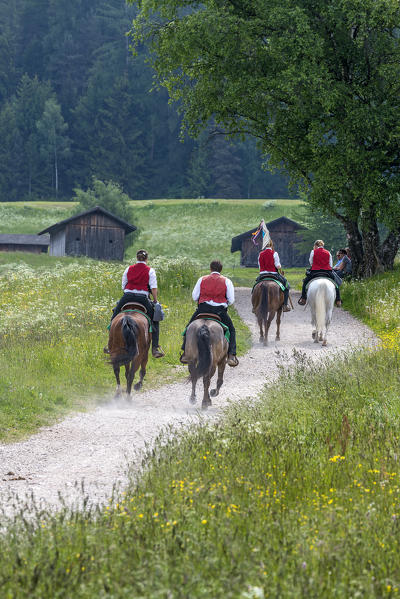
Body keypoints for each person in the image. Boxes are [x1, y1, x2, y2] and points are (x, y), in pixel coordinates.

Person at [106, 249, 165, 358]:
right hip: (142, 298)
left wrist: (129, 292)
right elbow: (153, 287)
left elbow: (123, 285)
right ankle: (155, 348)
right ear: (146, 259)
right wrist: (155, 300)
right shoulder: (150, 270)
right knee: (155, 321)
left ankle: (109, 345)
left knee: (114, 318)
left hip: (127, 296)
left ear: (136, 258)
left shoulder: (129, 268)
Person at [180, 260, 239, 367]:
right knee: (231, 330)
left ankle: (185, 352)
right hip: (219, 311)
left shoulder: (202, 279)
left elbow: (194, 296)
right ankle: (231, 355)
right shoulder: (227, 281)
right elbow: (231, 300)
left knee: (188, 328)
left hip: (203, 309)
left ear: (210, 269)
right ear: (221, 270)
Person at [298, 240, 342, 307]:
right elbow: (330, 265)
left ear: (315, 245)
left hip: (315, 271)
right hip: (327, 272)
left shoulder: (313, 252)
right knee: (335, 283)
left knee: (305, 282)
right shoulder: (328, 252)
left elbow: (311, 262)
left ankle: (303, 298)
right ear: (322, 245)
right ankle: (338, 300)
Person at [255, 239, 291, 311]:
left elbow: (259, 266)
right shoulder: (275, 253)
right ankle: (285, 305)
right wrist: (280, 267)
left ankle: (255, 305)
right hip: (273, 274)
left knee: (255, 287)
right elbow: (277, 266)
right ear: (272, 245)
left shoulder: (260, 254)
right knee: (287, 285)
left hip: (262, 274)